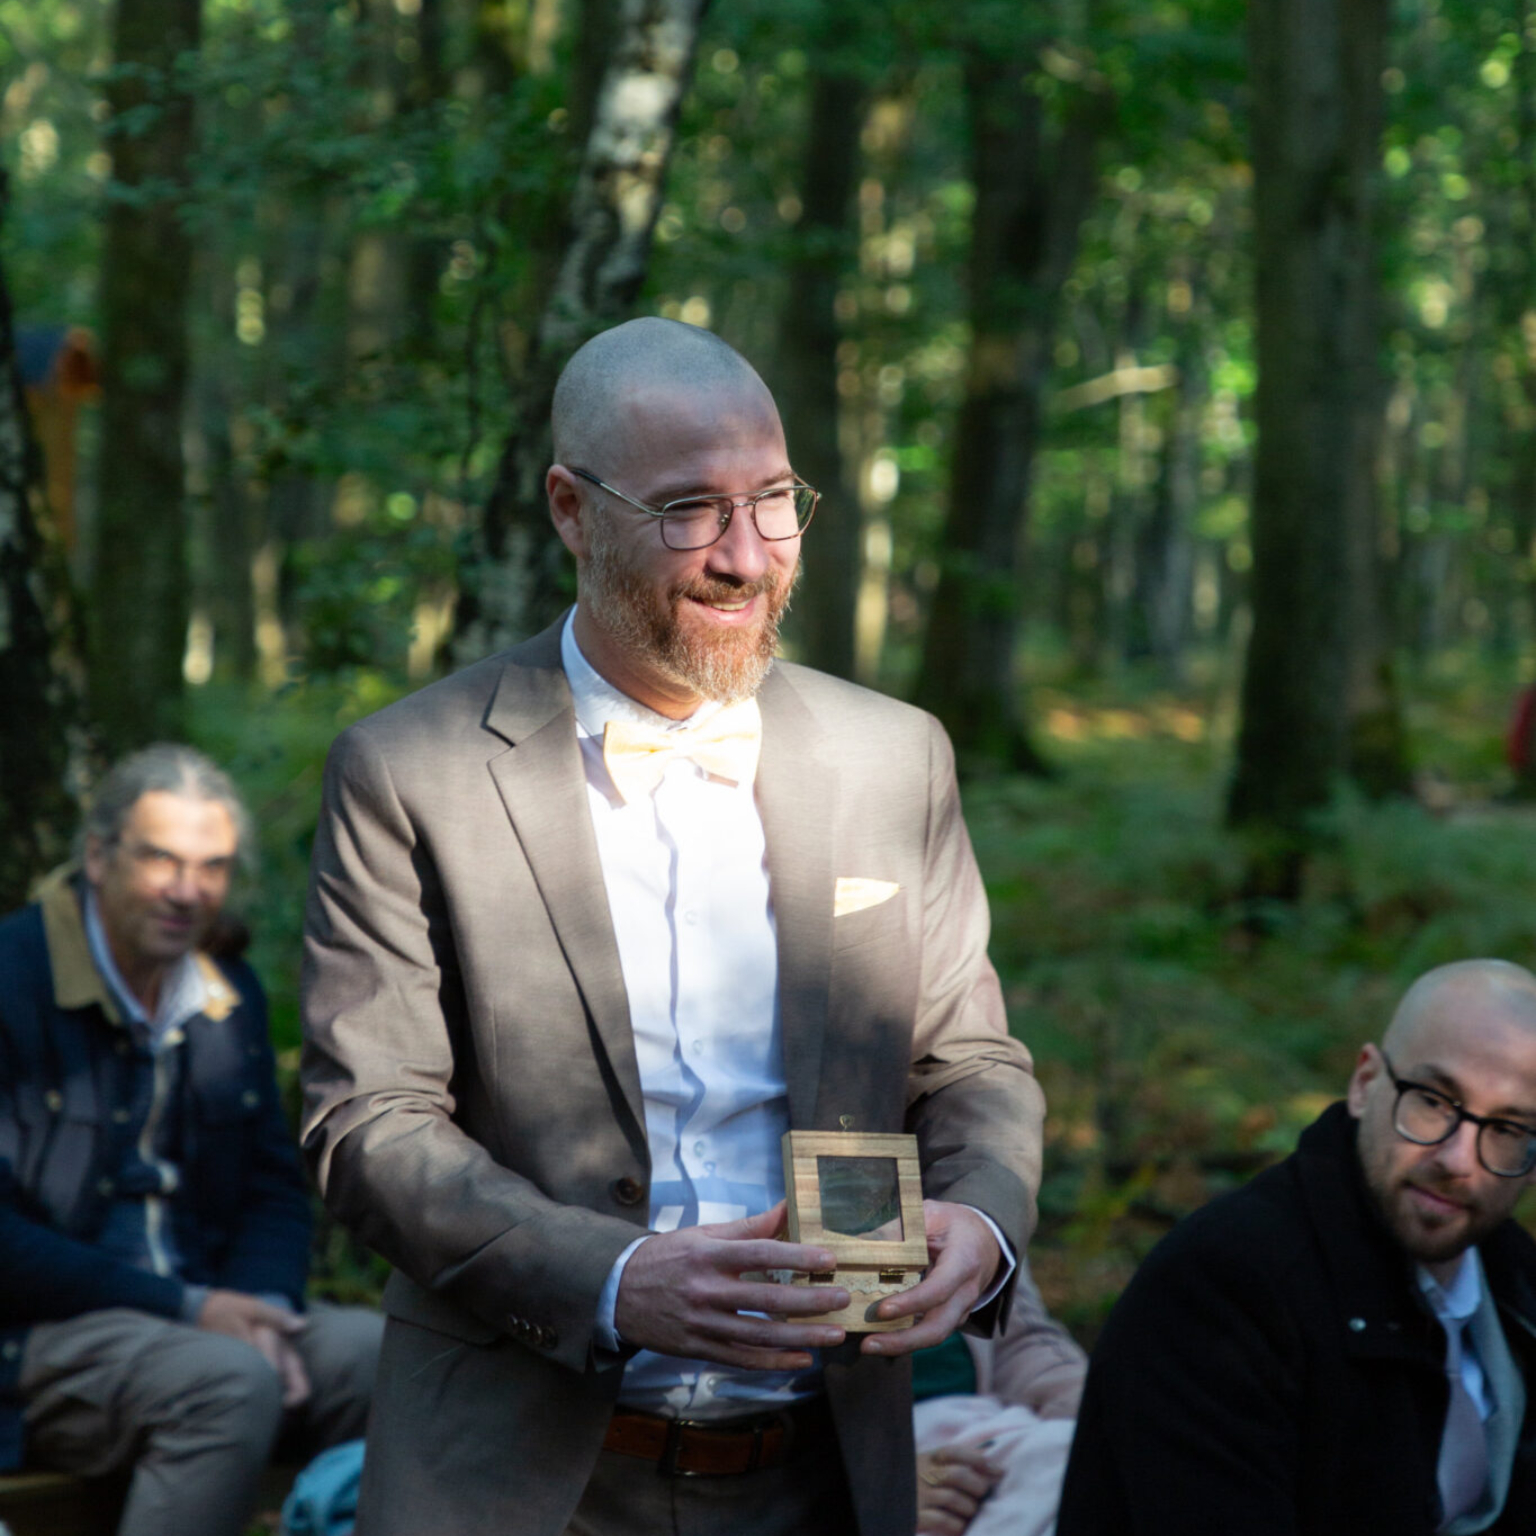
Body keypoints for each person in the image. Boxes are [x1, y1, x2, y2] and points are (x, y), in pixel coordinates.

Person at [300, 316, 1044, 1536]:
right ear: (569, 509)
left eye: (773, 501)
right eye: (691, 510)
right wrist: (616, 1279)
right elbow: (362, 1120)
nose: (747, 558)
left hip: (828, 1473)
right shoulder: (412, 771)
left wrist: (983, 1219)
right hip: (517, 1482)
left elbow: (969, 1064)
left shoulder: (893, 758)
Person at [0, 745, 382, 1536]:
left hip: (206, 1317)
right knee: (226, 1383)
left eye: (211, 868)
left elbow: (272, 1187)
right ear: (98, 856)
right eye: (162, 861)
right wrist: (192, 1308)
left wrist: (267, 1311)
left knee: (400, 1360)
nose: (186, 892)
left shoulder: (224, 990)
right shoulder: (13, 981)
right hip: (38, 1338)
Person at [1056, 958, 1536, 1536]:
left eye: (1508, 1130)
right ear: (1364, 1084)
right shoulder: (1223, 1287)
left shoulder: (1516, 1286)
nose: (1458, 1160)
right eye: (1433, 1100)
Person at [912, 1259, 1085, 1536]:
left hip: (984, 1437)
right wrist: (873, 1487)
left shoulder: (976, 1218)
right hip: (866, 1466)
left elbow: (1021, 1338)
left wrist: (1102, 1414)